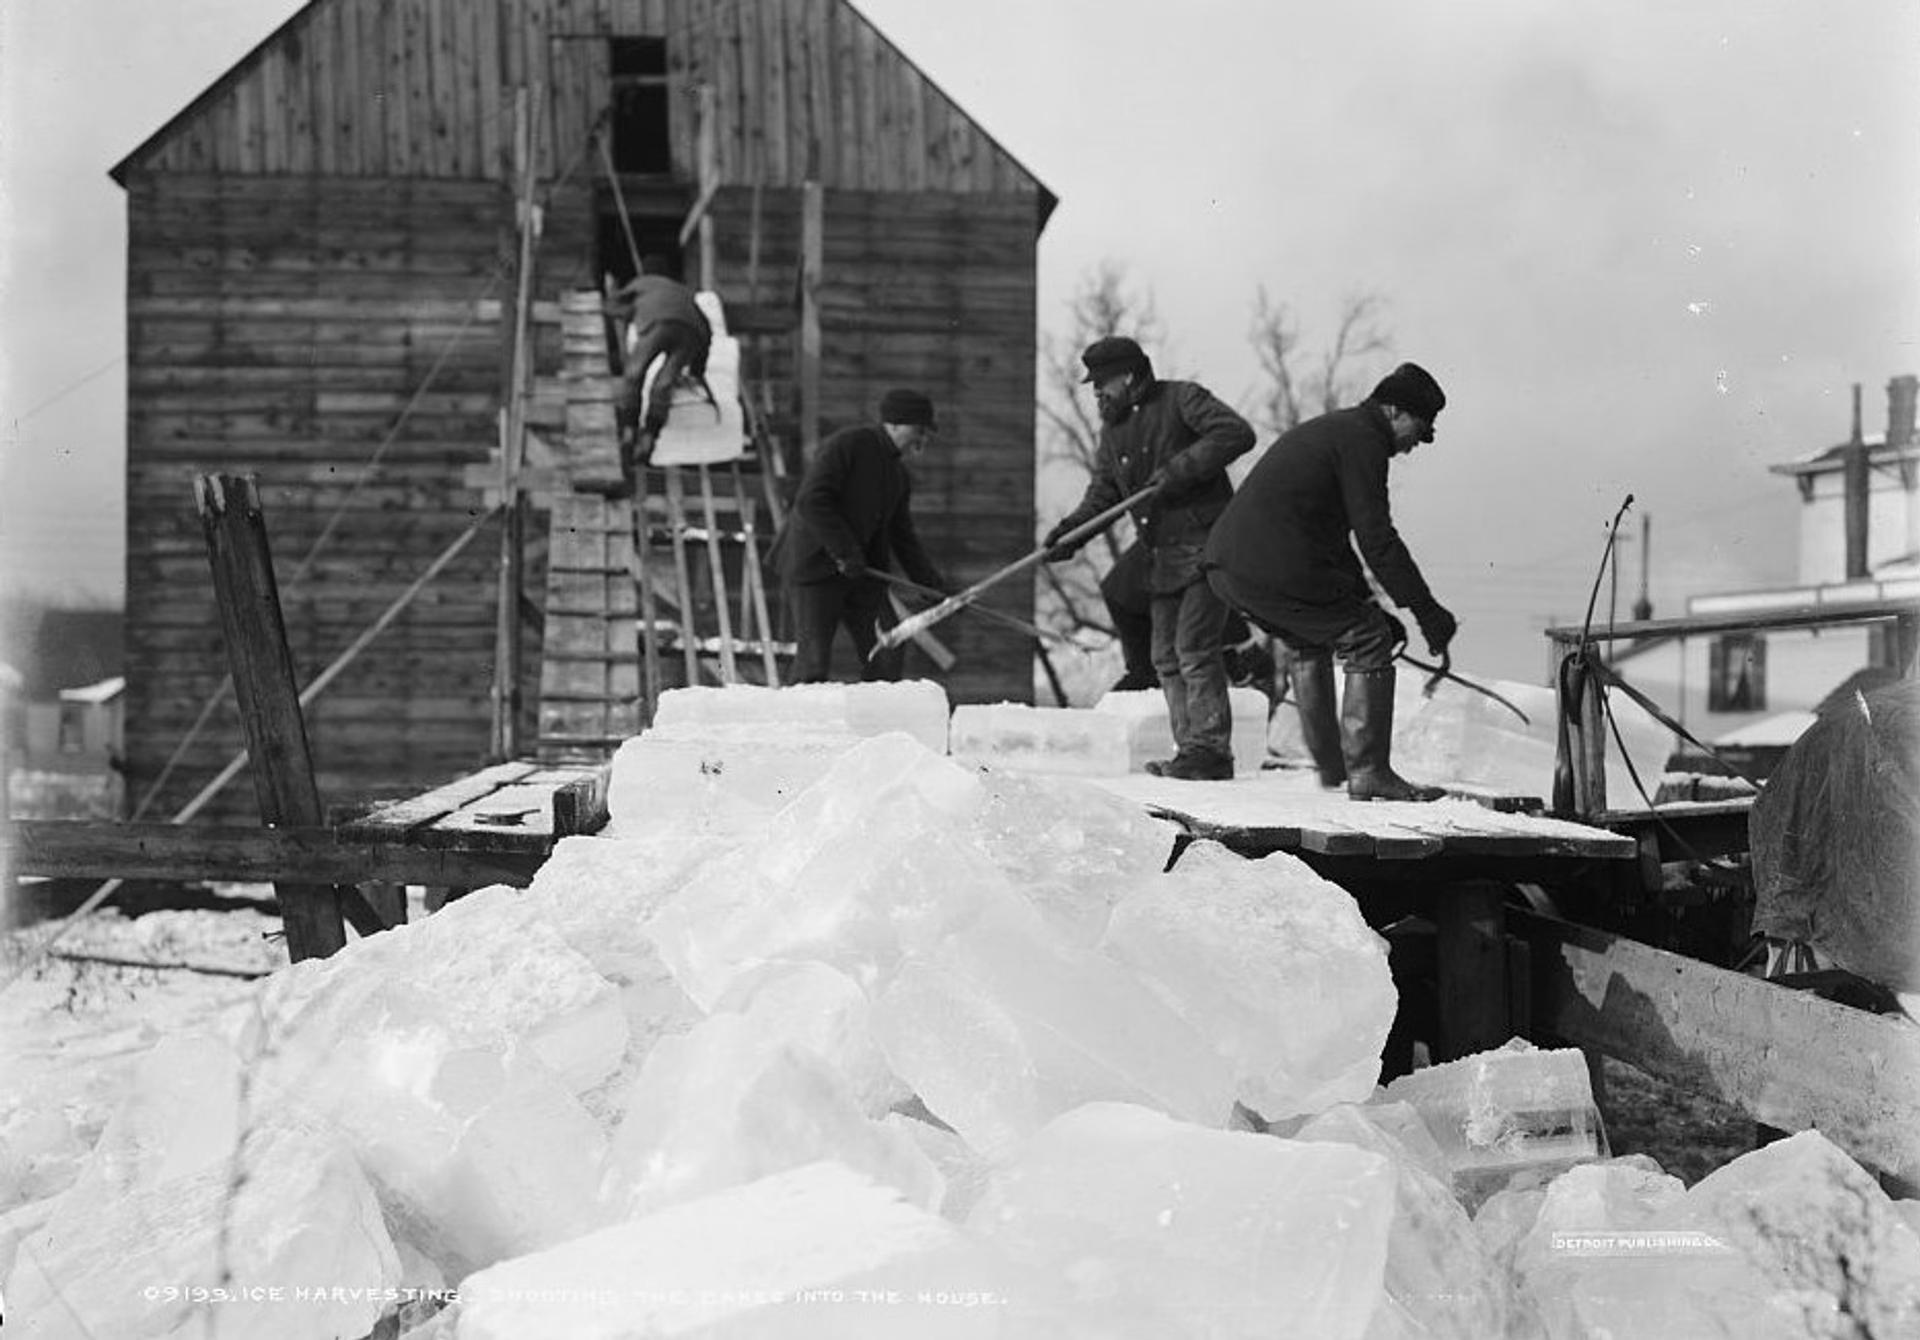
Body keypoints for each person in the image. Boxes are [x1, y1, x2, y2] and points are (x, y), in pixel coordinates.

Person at [1203, 362, 1460, 801]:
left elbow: (1336, 543)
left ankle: (1332, 770)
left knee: (1313, 639)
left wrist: (1370, 603)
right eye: (1420, 428)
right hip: (1270, 564)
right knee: (1367, 639)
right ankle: (1369, 772)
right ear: (1394, 411)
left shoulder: (1337, 431)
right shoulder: (1364, 441)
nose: (1418, 443)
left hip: (1227, 567)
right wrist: (1426, 612)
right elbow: (1377, 540)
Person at [1044, 336, 1255, 779]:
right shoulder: (1113, 432)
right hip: (1161, 555)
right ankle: (1190, 751)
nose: (1096, 391)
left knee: (1195, 648)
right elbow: (1104, 493)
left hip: (1206, 544)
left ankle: (1212, 752)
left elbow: (1236, 433)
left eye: (1101, 382)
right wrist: (1068, 536)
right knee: (1163, 656)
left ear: (1129, 375)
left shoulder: (1183, 399)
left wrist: (1181, 470)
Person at [778, 388, 947, 683]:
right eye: (918, 430)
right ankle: (796, 726)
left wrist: (931, 586)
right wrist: (844, 551)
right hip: (816, 569)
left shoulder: (898, 476)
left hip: (860, 575)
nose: (923, 439)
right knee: (814, 664)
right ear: (893, 424)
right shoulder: (848, 445)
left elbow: (902, 537)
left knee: (887, 652)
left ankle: (878, 725)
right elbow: (811, 501)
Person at [608, 254, 712, 498]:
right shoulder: (684, 292)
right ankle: (650, 436)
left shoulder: (644, 283)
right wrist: (698, 369)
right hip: (691, 333)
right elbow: (706, 331)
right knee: (663, 384)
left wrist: (615, 300)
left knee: (634, 374)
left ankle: (628, 430)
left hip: (658, 324)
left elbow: (614, 304)